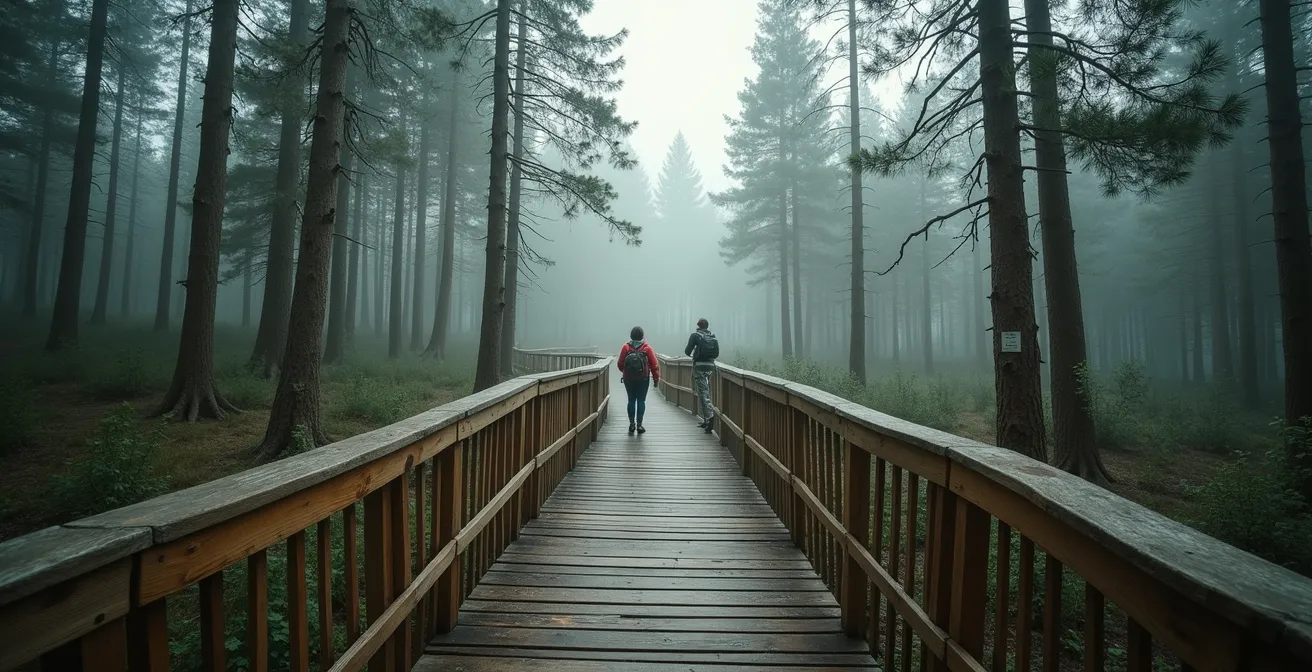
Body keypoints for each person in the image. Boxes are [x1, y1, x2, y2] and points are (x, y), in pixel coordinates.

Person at [618, 326, 660, 435]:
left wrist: (626, 372)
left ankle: (631, 424)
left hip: (629, 378)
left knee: (631, 400)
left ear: (631, 335)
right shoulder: (647, 348)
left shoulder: (626, 347)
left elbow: (620, 364)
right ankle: (639, 425)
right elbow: (654, 365)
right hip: (643, 378)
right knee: (641, 400)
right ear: (642, 336)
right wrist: (656, 379)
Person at [684, 318, 719, 433]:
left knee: (702, 393)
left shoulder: (695, 335)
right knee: (705, 391)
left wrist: (695, 350)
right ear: (707, 326)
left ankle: (709, 417)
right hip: (710, 366)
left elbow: (687, 352)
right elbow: (717, 354)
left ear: (698, 326)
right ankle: (706, 420)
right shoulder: (712, 336)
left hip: (699, 367)